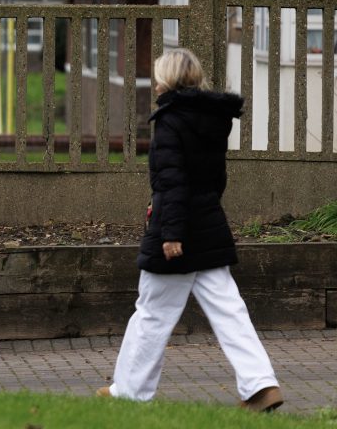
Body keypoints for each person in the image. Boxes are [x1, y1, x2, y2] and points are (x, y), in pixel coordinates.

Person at [99, 49, 282, 411]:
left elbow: (171, 182)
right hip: (209, 224)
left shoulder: (170, 121)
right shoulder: (213, 119)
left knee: (152, 311)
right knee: (230, 311)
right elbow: (215, 180)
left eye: (157, 77)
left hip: (177, 230)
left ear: (167, 81)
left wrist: (171, 234)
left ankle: (131, 391)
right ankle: (262, 385)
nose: (153, 83)